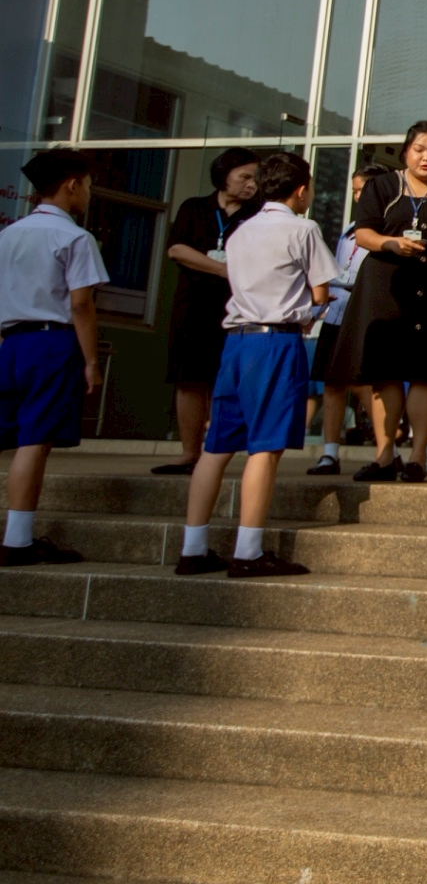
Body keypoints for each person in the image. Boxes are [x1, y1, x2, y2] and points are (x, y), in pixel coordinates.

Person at [176, 153, 336, 579]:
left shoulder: (242, 230)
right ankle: (248, 551)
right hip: (275, 343)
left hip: (236, 342)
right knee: (265, 448)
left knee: (216, 448)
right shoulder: (303, 228)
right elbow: (320, 291)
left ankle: (193, 548)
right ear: (301, 190)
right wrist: (310, 308)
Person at [325, 123, 427, 484]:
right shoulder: (383, 186)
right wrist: (390, 243)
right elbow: (363, 233)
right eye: (419, 149)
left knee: (426, 373)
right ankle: (385, 454)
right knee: (385, 372)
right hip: (387, 285)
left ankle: (418, 456)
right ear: (406, 151)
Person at [0, 150, 106, 566]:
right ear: (72, 185)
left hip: (11, 343)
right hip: (51, 342)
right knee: (34, 439)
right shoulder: (75, 238)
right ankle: (18, 540)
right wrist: (91, 360)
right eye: (89, 185)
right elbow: (81, 304)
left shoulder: (9, 234)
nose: (89, 193)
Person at [155, 147, 260, 475]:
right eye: (244, 177)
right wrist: (226, 270)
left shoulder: (257, 215)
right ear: (223, 175)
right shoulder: (194, 208)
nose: (251, 184)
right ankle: (190, 453)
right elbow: (177, 249)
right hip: (193, 305)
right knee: (189, 379)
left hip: (238, 308)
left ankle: (217, 453)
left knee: (226, 380)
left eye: (256, 179)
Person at [307, 163, 375, 477]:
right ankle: (329, 454)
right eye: (355, 191)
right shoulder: (349, 229)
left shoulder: (385, 228)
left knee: (362, 383)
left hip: (362, 316)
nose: (358, 197)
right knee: (332, 383)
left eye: (363, 190)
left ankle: (388, 449)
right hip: (337, 312)